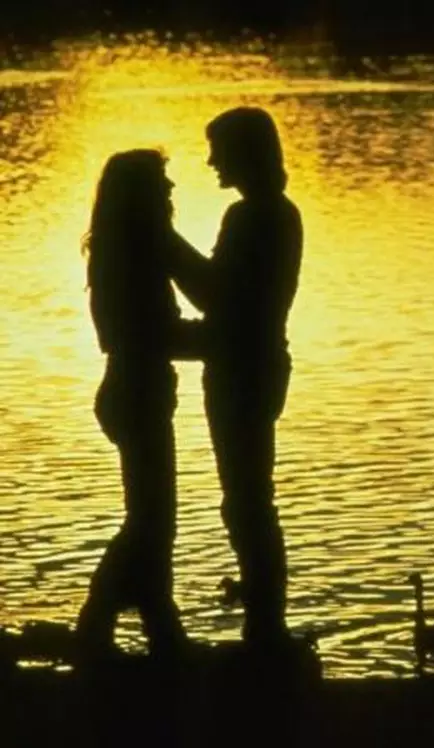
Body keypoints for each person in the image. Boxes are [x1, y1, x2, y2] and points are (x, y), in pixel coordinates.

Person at [168, 107, 303, 651]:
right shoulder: (277, 213)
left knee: (247, 501)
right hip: (261, 364)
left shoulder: (252, 217)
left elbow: (214, 296)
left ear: (246, 153)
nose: (212, 162)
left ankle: (266, 627)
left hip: (243, 372)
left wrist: (164, 242)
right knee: (250, 498)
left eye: (219, 151)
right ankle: (265, 621)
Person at [76, 149, 204, 661]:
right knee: (151, 522)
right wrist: (220, 340)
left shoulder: (121, 248)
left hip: (135, 392)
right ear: (140, 194)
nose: (170, 189)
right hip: (136, 394)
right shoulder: (136, 252)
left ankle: (159, 625)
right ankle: (98, 622)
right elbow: (149, 334)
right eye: (161, 182)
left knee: (153, 518)